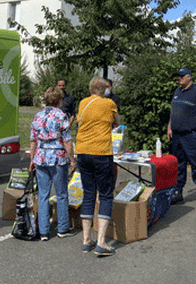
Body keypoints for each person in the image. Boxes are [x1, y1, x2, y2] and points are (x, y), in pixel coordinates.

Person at [75, 77, 119, 256]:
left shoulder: (82, 102)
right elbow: (116, 122)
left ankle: (86, 240)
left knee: (88, 194)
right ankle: (101, 242)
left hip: (83, 151)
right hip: (101, 152)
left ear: (90, 88)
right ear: (103, 89)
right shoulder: (109, 103)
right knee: (106, 194)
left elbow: (80, 123)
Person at [29, 86, 76, 241]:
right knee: (61, 193)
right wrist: (72, 160)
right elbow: (67, 141)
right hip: (57, 157)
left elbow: (33, 140)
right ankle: (62, 228)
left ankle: (43, 231)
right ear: (59, 100)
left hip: (41, 157)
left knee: (43, 195)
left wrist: (32, 159)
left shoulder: (37, 116)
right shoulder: (61, 116)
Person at [167, 68, 196, 214]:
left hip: (191, 136)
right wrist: (169, 127)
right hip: (177, 136)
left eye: (181, 76)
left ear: (188, 77)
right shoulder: (177, 91)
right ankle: (178, 193)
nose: (178, 79)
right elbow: (173, 112)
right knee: (178, 166)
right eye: (178, 76)